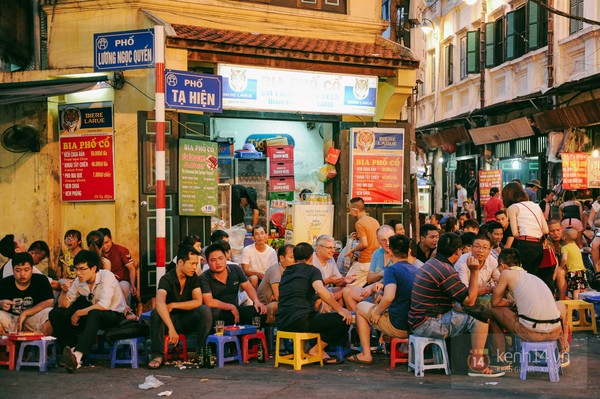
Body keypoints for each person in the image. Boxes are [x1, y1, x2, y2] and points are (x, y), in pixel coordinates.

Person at [408, 233, 505, 377]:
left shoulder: (433, 263)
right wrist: (474, 271)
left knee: (468, 312)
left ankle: (464, 364)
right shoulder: (445, 270)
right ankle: (477, 366)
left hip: (420, 320)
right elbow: (470, 300)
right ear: (459, 251)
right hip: (427, 324)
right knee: (481, 318)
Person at [488, 248, 569, 367]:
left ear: (502, 265)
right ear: (520, 265)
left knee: (493, 311)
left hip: (532, 333)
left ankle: (500, 359)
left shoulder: (506, 273)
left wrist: (510, 304)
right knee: (562, 305)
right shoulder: (534, 278)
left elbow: (495, 302)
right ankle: (563, 352)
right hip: (554, 332)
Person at [50, 250, 127, 372]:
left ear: (93, 268)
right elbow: (63, 305)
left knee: (94, 312)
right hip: (93, 316)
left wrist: (79, 313)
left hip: (114, 315)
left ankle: (78, 355)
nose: (78, 273)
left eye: (82, 269)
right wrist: (64, 292)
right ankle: (70, 350)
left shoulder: (107, 276)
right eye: (76, 269)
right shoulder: (78, 281)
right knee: (55, 314)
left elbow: (103, 305)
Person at [276, 242, 352, 365]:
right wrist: (340, 309)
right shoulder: (312, 270)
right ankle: (317, 349)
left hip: (282, 322)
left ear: (295, 257)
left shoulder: (286, 272)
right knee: (344, 319)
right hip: (302, 321)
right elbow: (321, 290)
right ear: (311, 257)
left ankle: (316, 350)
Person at [347, 235, 417, 364]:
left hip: (397, 325)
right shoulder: (416, 269)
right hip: (413, 325)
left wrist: (377, 312)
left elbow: (389, 297)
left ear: (390, 251)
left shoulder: (392, 270)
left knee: (360, 307)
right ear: (408, 251)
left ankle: (366, 354)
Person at [148, 245, 213, 370]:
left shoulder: (193, 278)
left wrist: (174, 305)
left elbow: (198, 301)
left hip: (187, 319)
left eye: (196, 263)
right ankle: (157, 355)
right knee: (156, 313)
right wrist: (171, 329)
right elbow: (159, 302)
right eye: (192, 263)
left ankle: (201, 351)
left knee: (204, 310)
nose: (195, 267)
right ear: (180, 262)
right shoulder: (166, 279)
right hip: (170, 321)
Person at [200, 242, 267, 326]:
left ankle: (254, 338)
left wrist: (256, 301)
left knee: (260, 311)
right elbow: (209, 301)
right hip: (219, 313)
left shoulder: (235, 269)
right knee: (215, 313)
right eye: (213, 260)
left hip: (235, 310)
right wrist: (231, 307)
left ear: (226, 258)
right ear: (208, 262)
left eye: (221, 258)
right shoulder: (204, 277)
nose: (218, 262)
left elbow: (247, 286)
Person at [342, 225, 395, 311]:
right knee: (347, 291)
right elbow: (369, 279)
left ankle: (363, 318)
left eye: (390, 239)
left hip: (389, 291)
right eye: (383, 240)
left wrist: (377, 283)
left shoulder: (398, 253)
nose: (388, 243)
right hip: (374, 290)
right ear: (378, 241)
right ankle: (360, 319)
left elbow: (397, 275)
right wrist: (381, 274)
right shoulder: (377, 253)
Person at [0, 252, 54, 335]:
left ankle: (41, 343)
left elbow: (50, 301)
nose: (22, 274)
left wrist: (25, 313)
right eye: (18, 270)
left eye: (26, 270)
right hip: (11, 320)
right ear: (13, 269)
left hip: (32, 317)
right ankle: (6, 342)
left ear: (32, 269)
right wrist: (1, 304)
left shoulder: (40, 280)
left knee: (51, 313)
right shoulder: (5, 283)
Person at [502, 181, 548, 276]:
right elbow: (545, 230)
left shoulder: (512, 207)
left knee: (522, 277)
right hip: (539, 247)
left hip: (525, 246)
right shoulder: (535, 206)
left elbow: (514, 233)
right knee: (533, 277)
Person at [345, 197, 381, 288]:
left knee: (348, 288)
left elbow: (364, 244)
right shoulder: (374, 221)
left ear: (354, 210)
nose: (350, 212)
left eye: (350, 210)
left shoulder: (359, 223)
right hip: (375, 262)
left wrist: (352, 251)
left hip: (364, 262)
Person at [256, 244, 295, 323]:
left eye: (296, 257)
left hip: (283, 301)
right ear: (281, 258)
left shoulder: (293, 271)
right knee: (278, 305)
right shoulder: (276, 270)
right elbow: (278, 296)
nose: (295, 260)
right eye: (291, 257)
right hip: (264, 306)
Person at [560, 228, 590, 326]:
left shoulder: (565, 248)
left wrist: (561, 267)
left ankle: (577, 312)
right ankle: (584, 315)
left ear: (564, 237)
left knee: (575, 292)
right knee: (583, 291)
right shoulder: (576, 246)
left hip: (573, 272)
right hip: (582, 271)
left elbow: (564, 259)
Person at [98, 228, 136, 304]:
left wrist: (132, 285)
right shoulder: (97, 253)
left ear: (111, 239)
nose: (105, 246)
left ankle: (126, 311)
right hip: (104, 281)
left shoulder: (121, 250)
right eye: (102, 243)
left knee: (124, 287)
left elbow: (131, 268)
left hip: (121, 280)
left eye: (107, 242)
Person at [547, 219, 567, 299]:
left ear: (562, 229)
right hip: (550, 269)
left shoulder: (568, 239)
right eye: (552, 231)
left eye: (558, 230)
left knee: (560, 272)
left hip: (566, 269)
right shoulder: (546, 242)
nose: (556, 233)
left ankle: (562, 300)